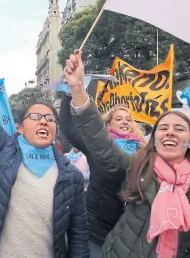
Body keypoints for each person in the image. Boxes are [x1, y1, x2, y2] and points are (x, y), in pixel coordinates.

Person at [0, 37, 89, 258]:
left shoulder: (71, 177)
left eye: (49, 118)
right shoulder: (5, 149)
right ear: (20, 127)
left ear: (55, 130)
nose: (43, 121)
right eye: (35, 117)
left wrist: (76, 87)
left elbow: (78, 236)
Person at [64, 49, 190, 257]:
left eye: (179, 129)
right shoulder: (138, 167)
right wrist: (77, 88)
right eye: (163, 128)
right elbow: (101, 144)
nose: (170, 133)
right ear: (154, 138)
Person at [60, 88, 145, 257]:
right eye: (119, 119)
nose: (125, 122)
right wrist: (70, 94)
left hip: (128, 235)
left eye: (128, 119)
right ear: (108, 124)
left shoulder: (144, 152)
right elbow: (70, 129)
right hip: (95, 232)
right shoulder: (98, 148)